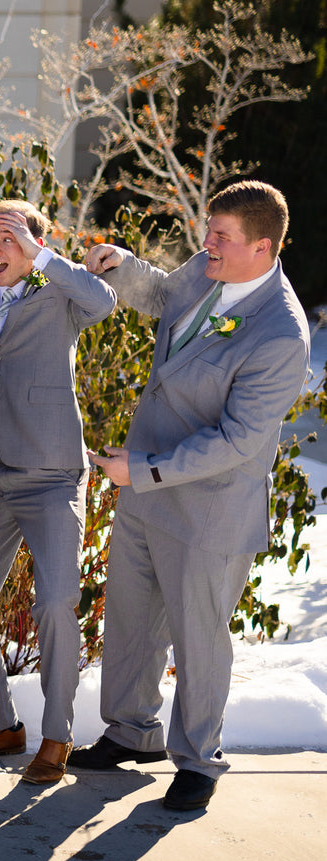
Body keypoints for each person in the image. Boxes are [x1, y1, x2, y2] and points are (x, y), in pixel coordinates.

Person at [74, 181, 309, 811]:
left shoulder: (283, 334)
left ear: (263, 247)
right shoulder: (209, 270)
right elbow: (160, 296)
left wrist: (143, 469)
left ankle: (199, 761)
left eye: (222, 236)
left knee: (198, 638)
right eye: (208, 229)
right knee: (129, 621)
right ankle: (130, 730)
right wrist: (123, 267)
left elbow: (236, 440)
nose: (207, 243)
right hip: (146, 489)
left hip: (208, 508)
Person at [0, 201, 117, 785]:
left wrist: (43, 254)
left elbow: (105, 300)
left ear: (37, 246)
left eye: (9, 239)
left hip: (49, 476)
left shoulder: (62, 293)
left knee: (54, 601)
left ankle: (57, 736)